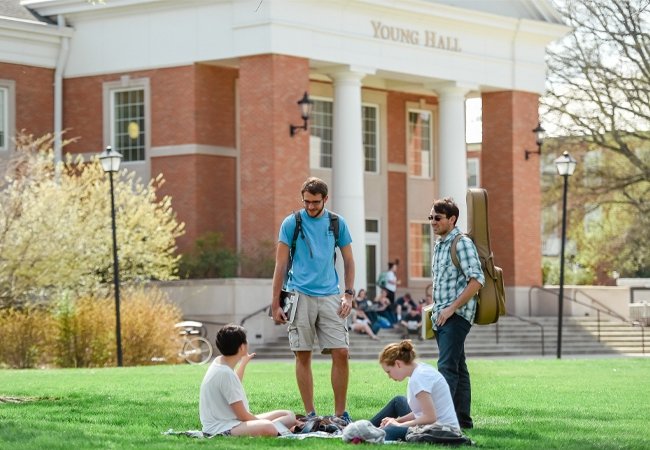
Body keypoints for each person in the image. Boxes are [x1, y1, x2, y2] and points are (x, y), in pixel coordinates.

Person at [271, 177, 355, 422]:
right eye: (306, 202)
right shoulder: (291, 223)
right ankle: (310, 414)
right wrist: (275, 303)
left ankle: (341, 414)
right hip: (299, 294)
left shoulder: (337, 223)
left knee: (341, 351)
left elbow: (349, 260)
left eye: (315, 202)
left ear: (325, 199)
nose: (310, 207)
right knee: (303, 354)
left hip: (330, 294)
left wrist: (348, 294)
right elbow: (280, 264)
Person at [428, 197, 484, 429]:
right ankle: (462, 420)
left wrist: (452, 309)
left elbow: (477, 280)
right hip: (441, 316)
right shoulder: (440, 244)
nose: (432, 222)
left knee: (447, 368)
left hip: (456, 316)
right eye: (430, 217)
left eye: (437, 218)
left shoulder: (461, 243)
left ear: (452, 219)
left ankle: (444, 422)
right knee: (458, 367)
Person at [199, 324, 296, 437]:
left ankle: (274, 427)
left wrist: (243, 363)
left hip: (232, 421)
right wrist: (260, 422)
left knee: (289, 415)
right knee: (269, 428)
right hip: (222, 428)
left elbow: (233, 386)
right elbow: (243, 416)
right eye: (246, 340)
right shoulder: (224, 373)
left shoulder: (220, 362)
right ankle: (275, 428)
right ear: (241, 347)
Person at [370, 340, 459, 441]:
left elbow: (430, 417)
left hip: (441, 431)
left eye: (388, 372)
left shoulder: (419, 378)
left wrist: (398, 425)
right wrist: (396, 421)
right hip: (432, 424)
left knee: (385, 433)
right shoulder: (418, 371)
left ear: (398, 364)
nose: (389, 376)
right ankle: (365, 428)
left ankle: (364, 432)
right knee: (398, 401)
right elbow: (420, 411)